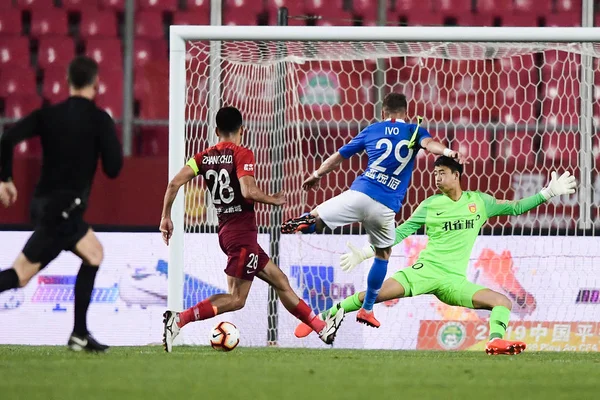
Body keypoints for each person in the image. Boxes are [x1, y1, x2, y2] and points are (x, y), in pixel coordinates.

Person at [295, 156, 577, 355]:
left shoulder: (480, 202)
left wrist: (547, 193)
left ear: (456, 175)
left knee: (502, 301)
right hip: (424, 271)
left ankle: (495, 342)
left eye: (442, 172)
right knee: (377, 293)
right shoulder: (430, 205)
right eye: (435, 173)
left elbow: (515, 208)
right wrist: (368, 251)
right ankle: (323, 316)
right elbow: (402, 232)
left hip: (454, 281)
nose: (437, 177)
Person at [159, 106, 344, 352]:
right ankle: (179, 319)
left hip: (227, 232)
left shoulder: (202, 157)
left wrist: (165, 217)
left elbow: (174, 183)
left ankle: (321, 328)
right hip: (242, 234)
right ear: (242, 131)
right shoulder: (242, 153)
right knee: (236, 299)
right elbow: (248, 191)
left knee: (280, 281)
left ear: (216, 131)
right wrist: (273, 199)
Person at [280, 92, 465, 328]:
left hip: (359, 194)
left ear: (382, 113)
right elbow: (430, 146)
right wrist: (448, 152)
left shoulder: (372, 130)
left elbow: (338, 157)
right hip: (385, 207)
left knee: (316, 217)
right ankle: (367, 309)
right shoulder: (414, 131)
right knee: (382, 255)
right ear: (407, 113)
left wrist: (317, 175)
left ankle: (309, 222)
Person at [0, 56, 123, 352]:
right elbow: (114, 168)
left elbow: (7, 139)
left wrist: (5, 178)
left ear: (68, 82)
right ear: (96, 83)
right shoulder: (99, 119)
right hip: (63, 210)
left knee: (91, 254)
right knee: (21, 275)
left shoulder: (48, 115)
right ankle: (79, 335)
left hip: (43, 205)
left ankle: (79, 334)